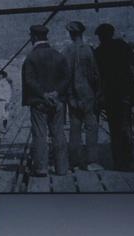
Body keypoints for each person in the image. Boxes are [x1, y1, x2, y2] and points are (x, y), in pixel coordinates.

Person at [94, 23, 134, 173]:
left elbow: (96, 77)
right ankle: (127, 159)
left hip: (109, 96)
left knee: (114, 129)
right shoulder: (121, 46)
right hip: (124, 94)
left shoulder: (98, 51)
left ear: (100, 36)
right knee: (126, 126)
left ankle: (118, 161)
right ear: (112, 33)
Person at [20, 22, 70, 176]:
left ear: (34, 37)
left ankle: (41, 168)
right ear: (46, 37)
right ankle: (62, 169)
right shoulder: (59, 55)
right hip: (58, 101)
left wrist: (43, 95)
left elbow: (29, 81)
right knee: (59, 133)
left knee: (40, 134)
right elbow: (66, 78)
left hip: (39, 103)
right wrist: (56, 93)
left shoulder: (31, 57)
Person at [60, 20, 103, 170]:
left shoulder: (66, 51)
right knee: (92, 128)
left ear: (71, 34)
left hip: (72, 96)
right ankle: (92, 162)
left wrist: (68, 95)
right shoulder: (89, 50)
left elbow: (63, 76)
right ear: (82, 33)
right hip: (88, 95)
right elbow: (95, 75)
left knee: (74, 130)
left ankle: (75, 163)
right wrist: (98, 93)